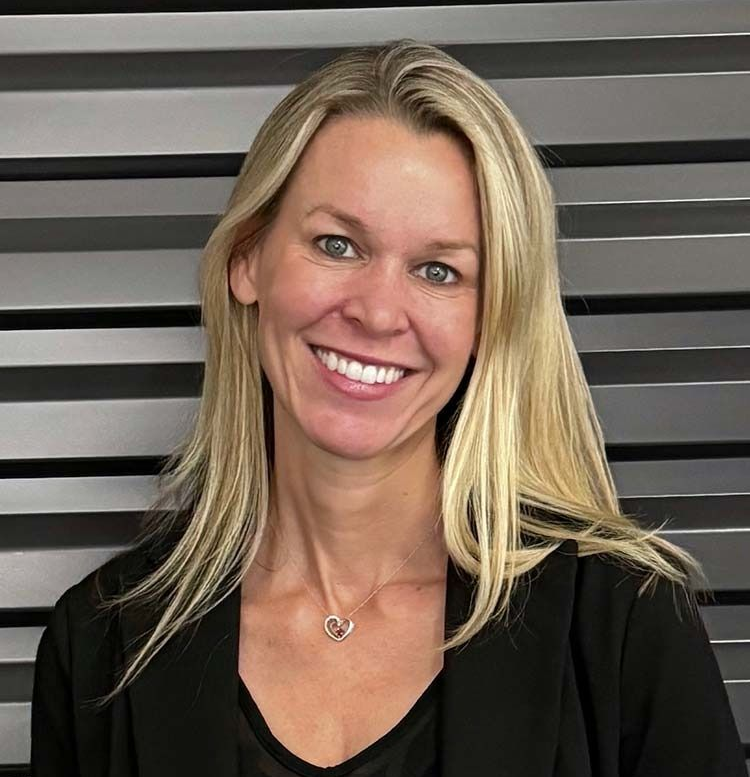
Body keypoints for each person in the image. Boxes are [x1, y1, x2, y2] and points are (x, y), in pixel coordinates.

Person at [30, 39, 746, 777]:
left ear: (491, 315)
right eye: (337, 244)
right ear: (248, 258)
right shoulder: (99, 646)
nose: (376, 312)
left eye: (439, 270)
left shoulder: (624, 626)